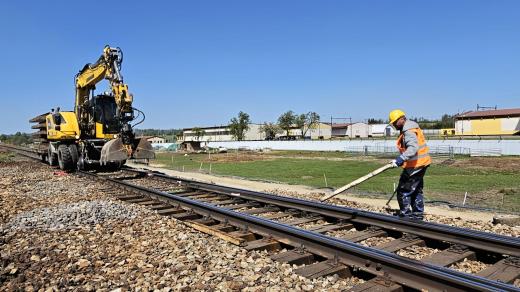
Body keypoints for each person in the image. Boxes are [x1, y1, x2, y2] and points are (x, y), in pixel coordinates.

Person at [388, 109, 431, 220]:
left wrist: (400, 159)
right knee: (416, 190)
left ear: (401, 119)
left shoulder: (408, 131)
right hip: (422, 164)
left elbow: (413, 148)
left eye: (394, 122)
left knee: (403, 190)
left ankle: (405, 215)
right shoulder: (412, 128)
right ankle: (417, 214)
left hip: (415, 166)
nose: (393, 125)